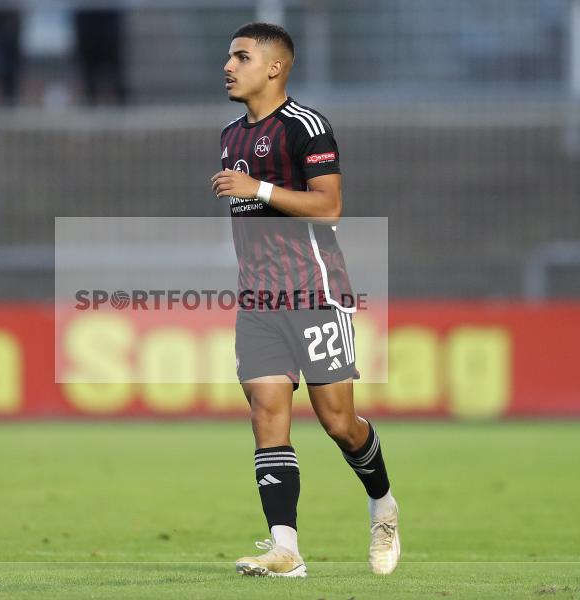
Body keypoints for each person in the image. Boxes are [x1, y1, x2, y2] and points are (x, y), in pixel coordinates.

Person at [210, 23, 399, 578]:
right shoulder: (230, 134)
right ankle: (285, 548)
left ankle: (383, 504)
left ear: (274, 67)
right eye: (228, 56)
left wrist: (260, 191)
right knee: (267, 411)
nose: (228, 66)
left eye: (240, 57)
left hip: (315, 293)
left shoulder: (306, 126)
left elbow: (329, 206)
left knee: (339, 422)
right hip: (258, 299)